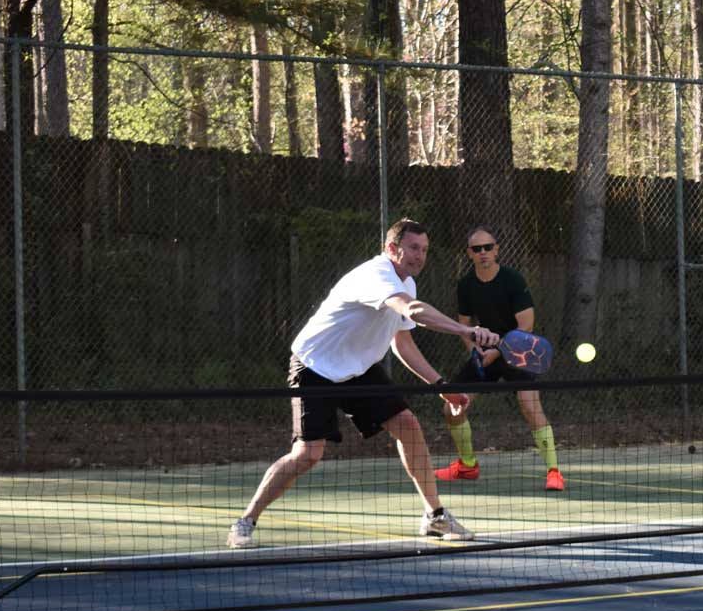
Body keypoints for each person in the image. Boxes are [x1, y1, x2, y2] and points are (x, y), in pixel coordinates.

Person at [226, 219, 500, 549]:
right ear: (391, 249)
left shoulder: (407, 282)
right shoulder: (375, 275)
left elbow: (402, 344)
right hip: (316, 366)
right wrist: (465, 331)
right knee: (307, 454)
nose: (420, 256)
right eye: (413, 248)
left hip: (360, 369)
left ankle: (435, 516)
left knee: (407, 425)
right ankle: (245, 521)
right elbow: (412, 310)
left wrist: (441, 384)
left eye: (425, 250)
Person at [432, 226, 565, 492]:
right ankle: (467, 466)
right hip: (485, 354)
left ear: (497, 250)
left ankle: (554, 472)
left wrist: (499, 350)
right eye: (477, 249)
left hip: (518, 352)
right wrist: (474, 349)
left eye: (488, 247)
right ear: (470, 253)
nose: (483, 253)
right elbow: (464, 324)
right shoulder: (466, 285)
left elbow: (526, 324)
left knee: (530, 406)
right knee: (452, 407)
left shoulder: (512, 280)